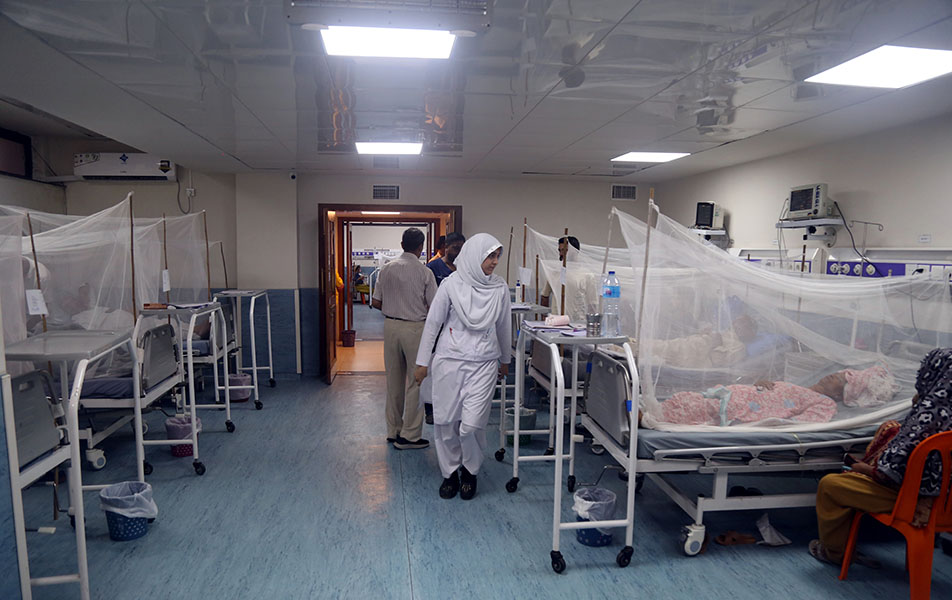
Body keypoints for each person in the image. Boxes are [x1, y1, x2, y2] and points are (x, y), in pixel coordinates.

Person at [809, 348, 952, 567]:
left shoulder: (926, 418)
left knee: (831, 485)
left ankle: (833, 553)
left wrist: (860, 468)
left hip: (918, 502)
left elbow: (889, 474)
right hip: (947, 506)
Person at [413, 233, 511, 500]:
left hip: (484, 363)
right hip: (449, 362)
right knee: (445, 422)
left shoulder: (499, 289)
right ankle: (450, 473)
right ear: (473, 256)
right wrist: (423, 362)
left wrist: (506, 359)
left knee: (471, 425)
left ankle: (470, 470)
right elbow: (433, 323)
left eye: (497, 256)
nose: (494, 262)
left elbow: (503, 326)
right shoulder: (450, 285)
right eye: (490, 256)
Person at [371, 228, 437, 450]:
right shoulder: (425, 272)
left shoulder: (385, 270)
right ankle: (409, 436)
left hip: (390, 327)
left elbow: (376, 302)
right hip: (415, 329)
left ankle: (393, 430)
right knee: (416, 381)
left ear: (401, 244)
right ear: (421, 247)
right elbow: (435, 306)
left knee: (394, 381)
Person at [422, 232, 467, 424]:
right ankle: (430, 408)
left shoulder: (465, 270)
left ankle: (452, 407)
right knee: (432, 369)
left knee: (453, 369)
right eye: (455, 248)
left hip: (458, 327)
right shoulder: (432, 268)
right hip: (437, 324)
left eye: (461, 248)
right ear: (446, 247)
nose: (458, 252)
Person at [540, 235, 580, 308]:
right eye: (560, 250)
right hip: (557, 317)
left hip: (577, 318)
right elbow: (544, 296)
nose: (561, 254)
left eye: (565, 250)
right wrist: (544, 317)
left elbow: (592, 303)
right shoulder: (555, 273)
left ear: (575, 251)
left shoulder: (586, 275)